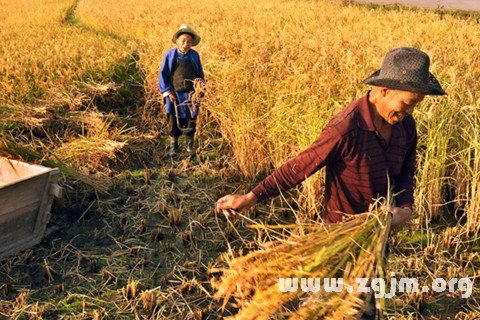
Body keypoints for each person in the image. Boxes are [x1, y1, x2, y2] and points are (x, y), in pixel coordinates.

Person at [216, 47, 446, 230]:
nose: (411, 111)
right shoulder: (346, 128)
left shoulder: (405, 125)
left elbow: (406, 170)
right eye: (408, 103)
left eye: (417, 104)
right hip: (342, 234)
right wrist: (249, 198)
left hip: (380, 233)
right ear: (385, 90)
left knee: (372, 287)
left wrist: (405, 208)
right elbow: (300, 166)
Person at [159, 24, 205, 158]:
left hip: (191, 94)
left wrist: (200, 91)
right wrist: (168, 91)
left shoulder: (194, 56)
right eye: (183, 40)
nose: (186, 44)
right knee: (173, 119)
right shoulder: (170, 55)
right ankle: (174, 145)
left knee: (192, 119)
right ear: (177, 41)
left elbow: (199, 74)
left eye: (189, 41)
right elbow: (163, 74)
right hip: (174, 93)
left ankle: (190, 146)